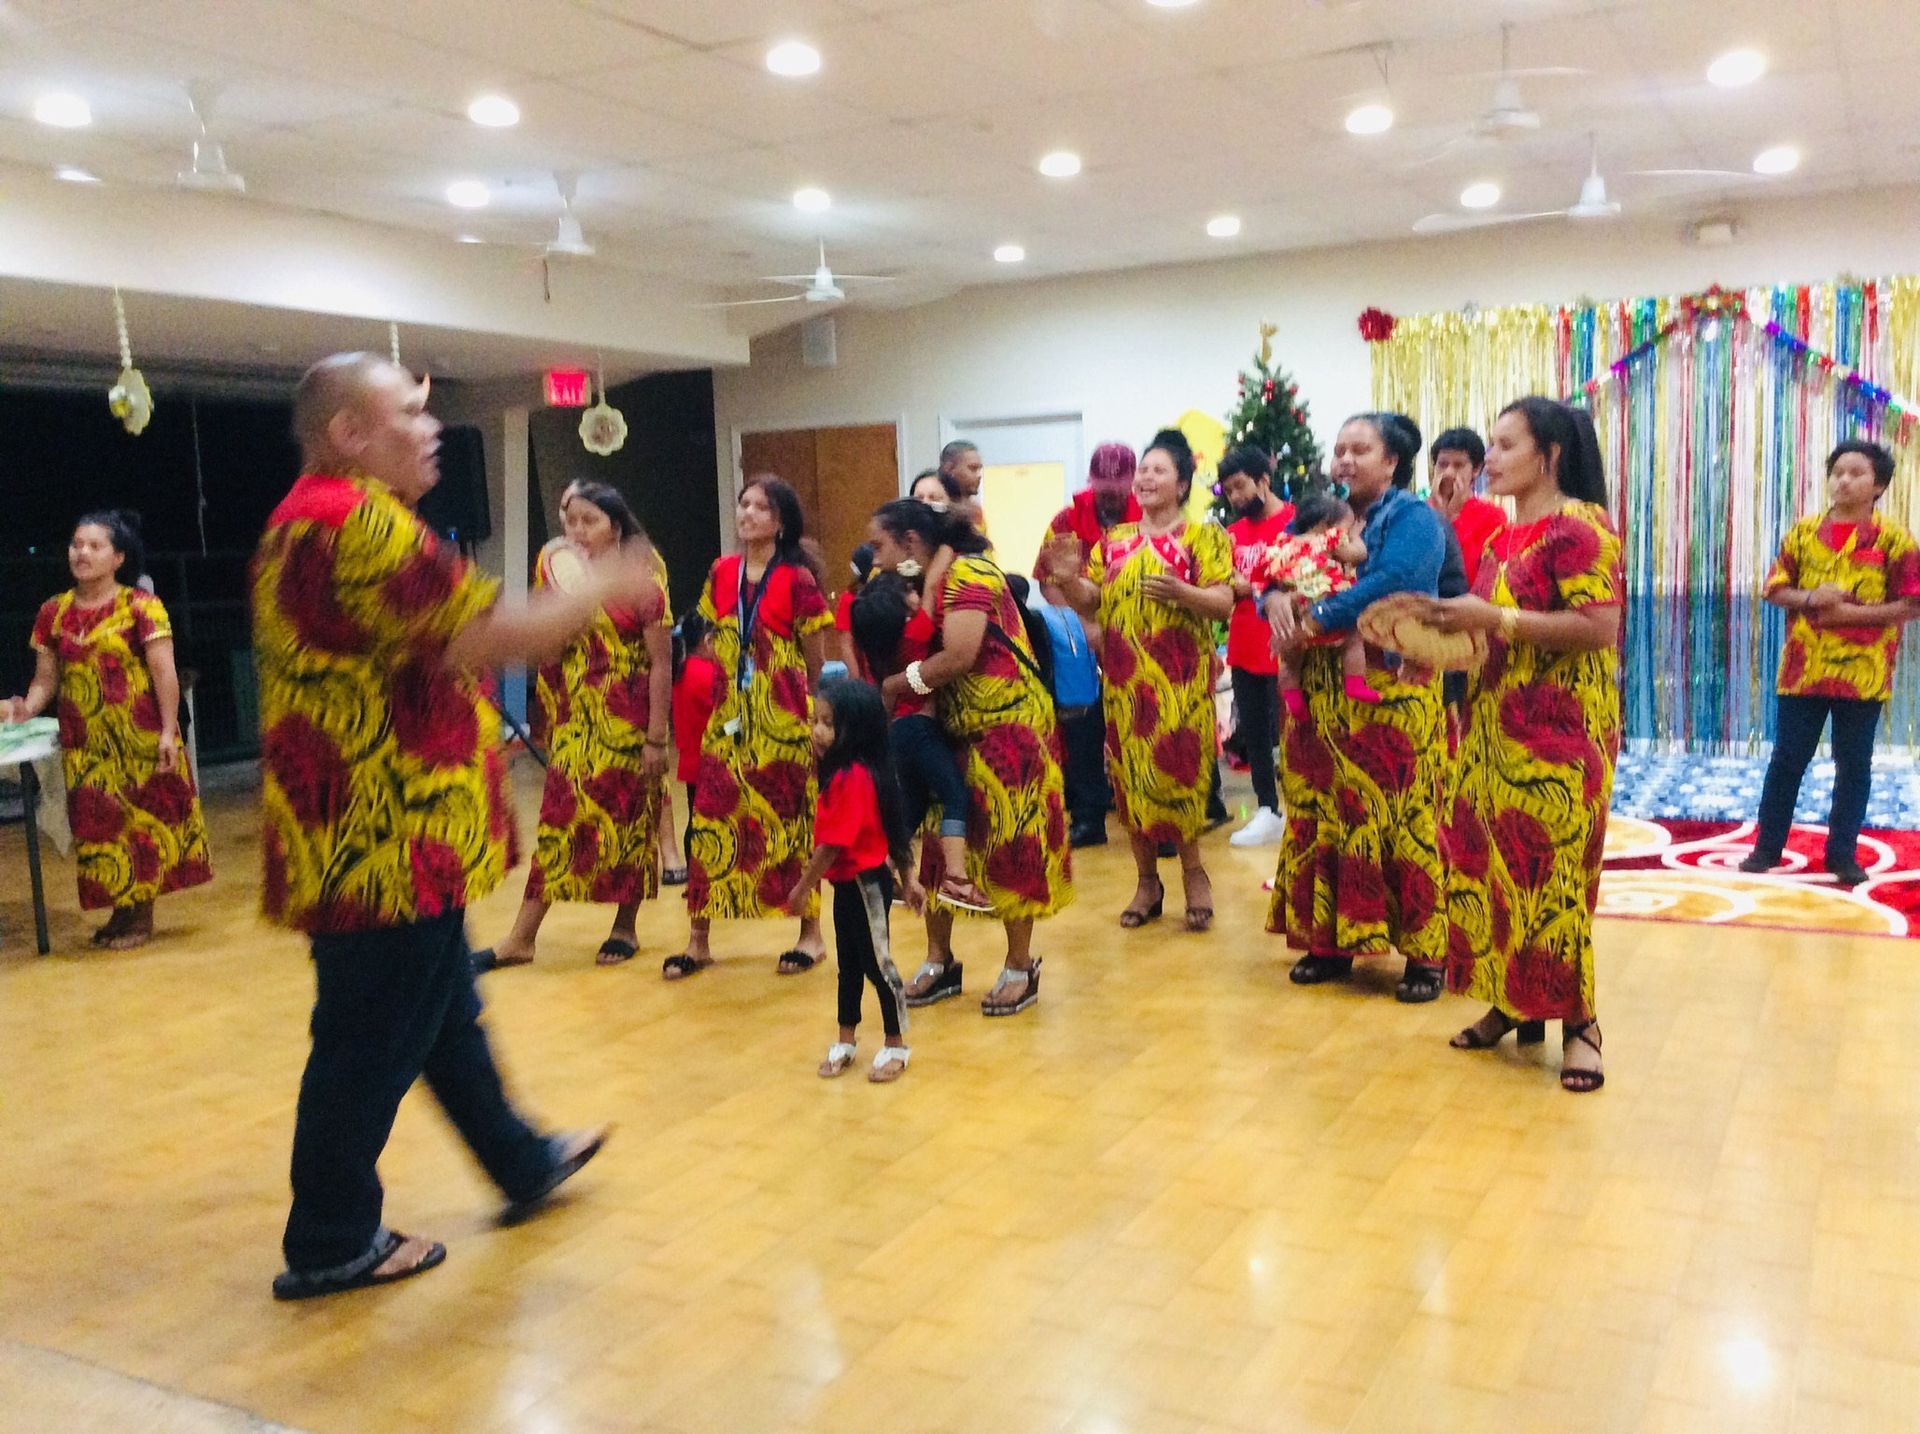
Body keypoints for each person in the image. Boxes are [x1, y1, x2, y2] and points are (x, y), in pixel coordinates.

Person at [255, 352, 630, 1299]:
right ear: (349, 433)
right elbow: (502, 637)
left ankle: (519, 1160)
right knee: (368, 1037)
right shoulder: (360, 523)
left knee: (441, 1015)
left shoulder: (307, 519)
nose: (432, 430)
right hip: (382, 837)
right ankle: (332, 1236)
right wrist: (601, 585)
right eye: (411, 415)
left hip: (370, 832)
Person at [1424, 397, 1622, 1092]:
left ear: (1551, 455)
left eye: (1506, 445)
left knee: (1555, 877)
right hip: (1491, 727)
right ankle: (1513, 1001)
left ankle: (1581, 1025)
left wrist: (1496, 616)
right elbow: (1488, 631)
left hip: (1560, 735)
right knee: (1495, 868)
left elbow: (1597, 627)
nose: (1492, 459)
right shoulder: (1500, 539)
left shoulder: (1582, 526)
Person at [1265, 412, 1452, 1002]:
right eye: (1339, 449)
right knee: (1324, 813)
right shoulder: (1321, 512)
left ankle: (1426, 955)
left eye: (1360, 450)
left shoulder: (1413, 518)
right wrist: (1272, 601)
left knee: (1399, 819)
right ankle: (1331, 943)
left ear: (1391, 461)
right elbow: (1279, 559)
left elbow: (1395, 580)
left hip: (1387, 694)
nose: (1344, 460)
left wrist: (1317, 616)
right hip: (1318, 699)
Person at [870, 498, 1072, 1015]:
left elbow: (960, 656)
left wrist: (898, 684)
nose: (874, 556)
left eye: (880, 545)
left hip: (1009, 728)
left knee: (1010, 842)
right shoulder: (928, 581)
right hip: (955, 731)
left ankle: (1019, 966)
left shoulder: (972, 573)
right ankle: (939, 961)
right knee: (939, 842)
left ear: (911, 543)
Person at [472, 482, 672, 971]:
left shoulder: (642, 584)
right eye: (572, 520)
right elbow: (544, 652)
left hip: (627, 725)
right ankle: (521, 938)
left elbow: (661, 665)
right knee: (559, 824)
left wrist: (655, 739)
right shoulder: (556, 577)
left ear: (615, 528)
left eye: (590, 521)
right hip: (575, 724)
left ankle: (625, 927)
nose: (578, 531)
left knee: (630, 825)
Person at [1046, 429, 1234, 932]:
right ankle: (1147, 881)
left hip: (1180, 683)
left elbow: (1223, 601)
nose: (1147, 479)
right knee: (1129, 781)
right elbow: (1092, 601)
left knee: (1180, 776)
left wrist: (1183, 593)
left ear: (1183, 483)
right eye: (1143, 471)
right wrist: (1067, 579)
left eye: (1158, 471)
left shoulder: (1203, 537)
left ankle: (1195, 874)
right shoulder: (1117, 540)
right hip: (1125, 685)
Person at [3, 509, 212, 949]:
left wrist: (168, 731)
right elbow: (45, 680)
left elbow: (163, 672)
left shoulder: (141, 606)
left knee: (143, 825)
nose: (82, 553)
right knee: (104, 832)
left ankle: (141, 920)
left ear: (118, 557)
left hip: (139, 737)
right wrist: (27, 706)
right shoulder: (53, 612)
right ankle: (122, 913)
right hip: (87, 744)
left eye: (94, 546)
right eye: (77, 544)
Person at [667, 476, 832, 979]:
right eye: (743, 504)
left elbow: (816, 661)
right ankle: (699, 939)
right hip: (728, 723)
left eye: (761, 507)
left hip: (782, 720)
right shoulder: (722, 572)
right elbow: (708, 631)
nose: (748, 513)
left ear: (780, 522)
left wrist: (819, 720)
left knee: (791, 824)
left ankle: (810, 934)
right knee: (710, 821)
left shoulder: (798, 580)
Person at [1740, 439, 1920, 886]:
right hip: (1804, 670)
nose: (1843, 480)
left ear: (1878, 485)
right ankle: (1766, 850)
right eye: (1837, 471)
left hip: (1863, 673)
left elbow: (1912, 603)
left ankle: (1842, 855)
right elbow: (1775, 588)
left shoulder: (1895, 541)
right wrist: (1810, 598)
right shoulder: (1803, 532)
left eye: (1856, 473)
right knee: (1786, 760)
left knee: (1854, 764)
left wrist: (1854, 616)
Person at [782, 678, 924, 1083]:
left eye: (828, 722)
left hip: (866, 884)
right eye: (816, 720)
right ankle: (846, 1039)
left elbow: (830, 845)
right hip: (847, 885)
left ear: (855, 727)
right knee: (848, 966)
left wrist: (802, 887)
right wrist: (910, 878)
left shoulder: (855, 778)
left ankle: (896, 1043)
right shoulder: (840, 773)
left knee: (878, 965)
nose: (817, 731)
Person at [848, 570, 992, 911]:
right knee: (955, 794)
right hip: (920, 729)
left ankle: (880, 867)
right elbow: (930, 592)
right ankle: (956, 876)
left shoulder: (876, 649)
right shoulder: (914, 634)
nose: (913, 593)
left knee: (912, 806)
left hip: (896, 732)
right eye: (905, 591)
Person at [1219, 447, 1295, 848]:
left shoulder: (1295, 523)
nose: (1234, 497)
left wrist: (1256, 587)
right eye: (1228, 491)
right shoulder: (1231, 535)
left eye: (1240, 487)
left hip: (1287, 643)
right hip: (1245, 644)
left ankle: (1300, 807)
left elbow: (1305, 576)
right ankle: (1268, 808)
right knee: (1255, 732)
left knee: (1294, 729)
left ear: (1263, 481)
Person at [1263, 494, 1379, 717]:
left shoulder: (1285, 543)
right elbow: (1359, 554)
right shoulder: (1329, 540)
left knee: (1290, 659)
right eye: (1347, 525)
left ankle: (1292, 696)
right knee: (1353, 639)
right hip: (1325, 601)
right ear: (1326, 524)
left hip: (1295, 606)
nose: (1348, 530)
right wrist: (1354, 537)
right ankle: (1355, 683)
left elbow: (1275, 576)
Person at [1035, 442, 1142, 599]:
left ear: (1133, 481)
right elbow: (1047, 582)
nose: (1109, 497)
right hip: (1076, 614)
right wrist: (1075, 620)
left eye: (1117, 491)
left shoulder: (1148, 518)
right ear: (1091, 479)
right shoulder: (1065, 521)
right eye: (1103, 491)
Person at [665, 612, 719, 885]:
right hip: (709, 759)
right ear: (708, 641)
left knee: (693, 817)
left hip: (690, 758)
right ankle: (703, 874)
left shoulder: (682, 672)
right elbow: (721, 715)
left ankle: (694, 875)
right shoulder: (708, 674)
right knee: (706, 820)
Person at [1429, 427, 1508, 591]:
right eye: (1443, 465)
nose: (1449, 472)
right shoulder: (1419, 511)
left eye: (1458, 465)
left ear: (1476, 469)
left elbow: (1476, 575)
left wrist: (1453, 519)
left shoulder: (1492, 516)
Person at [832, 542, 876, 668]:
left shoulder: (888, 593)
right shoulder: (848, 599)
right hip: (865, 672)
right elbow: (846, 645)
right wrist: (855, 679)